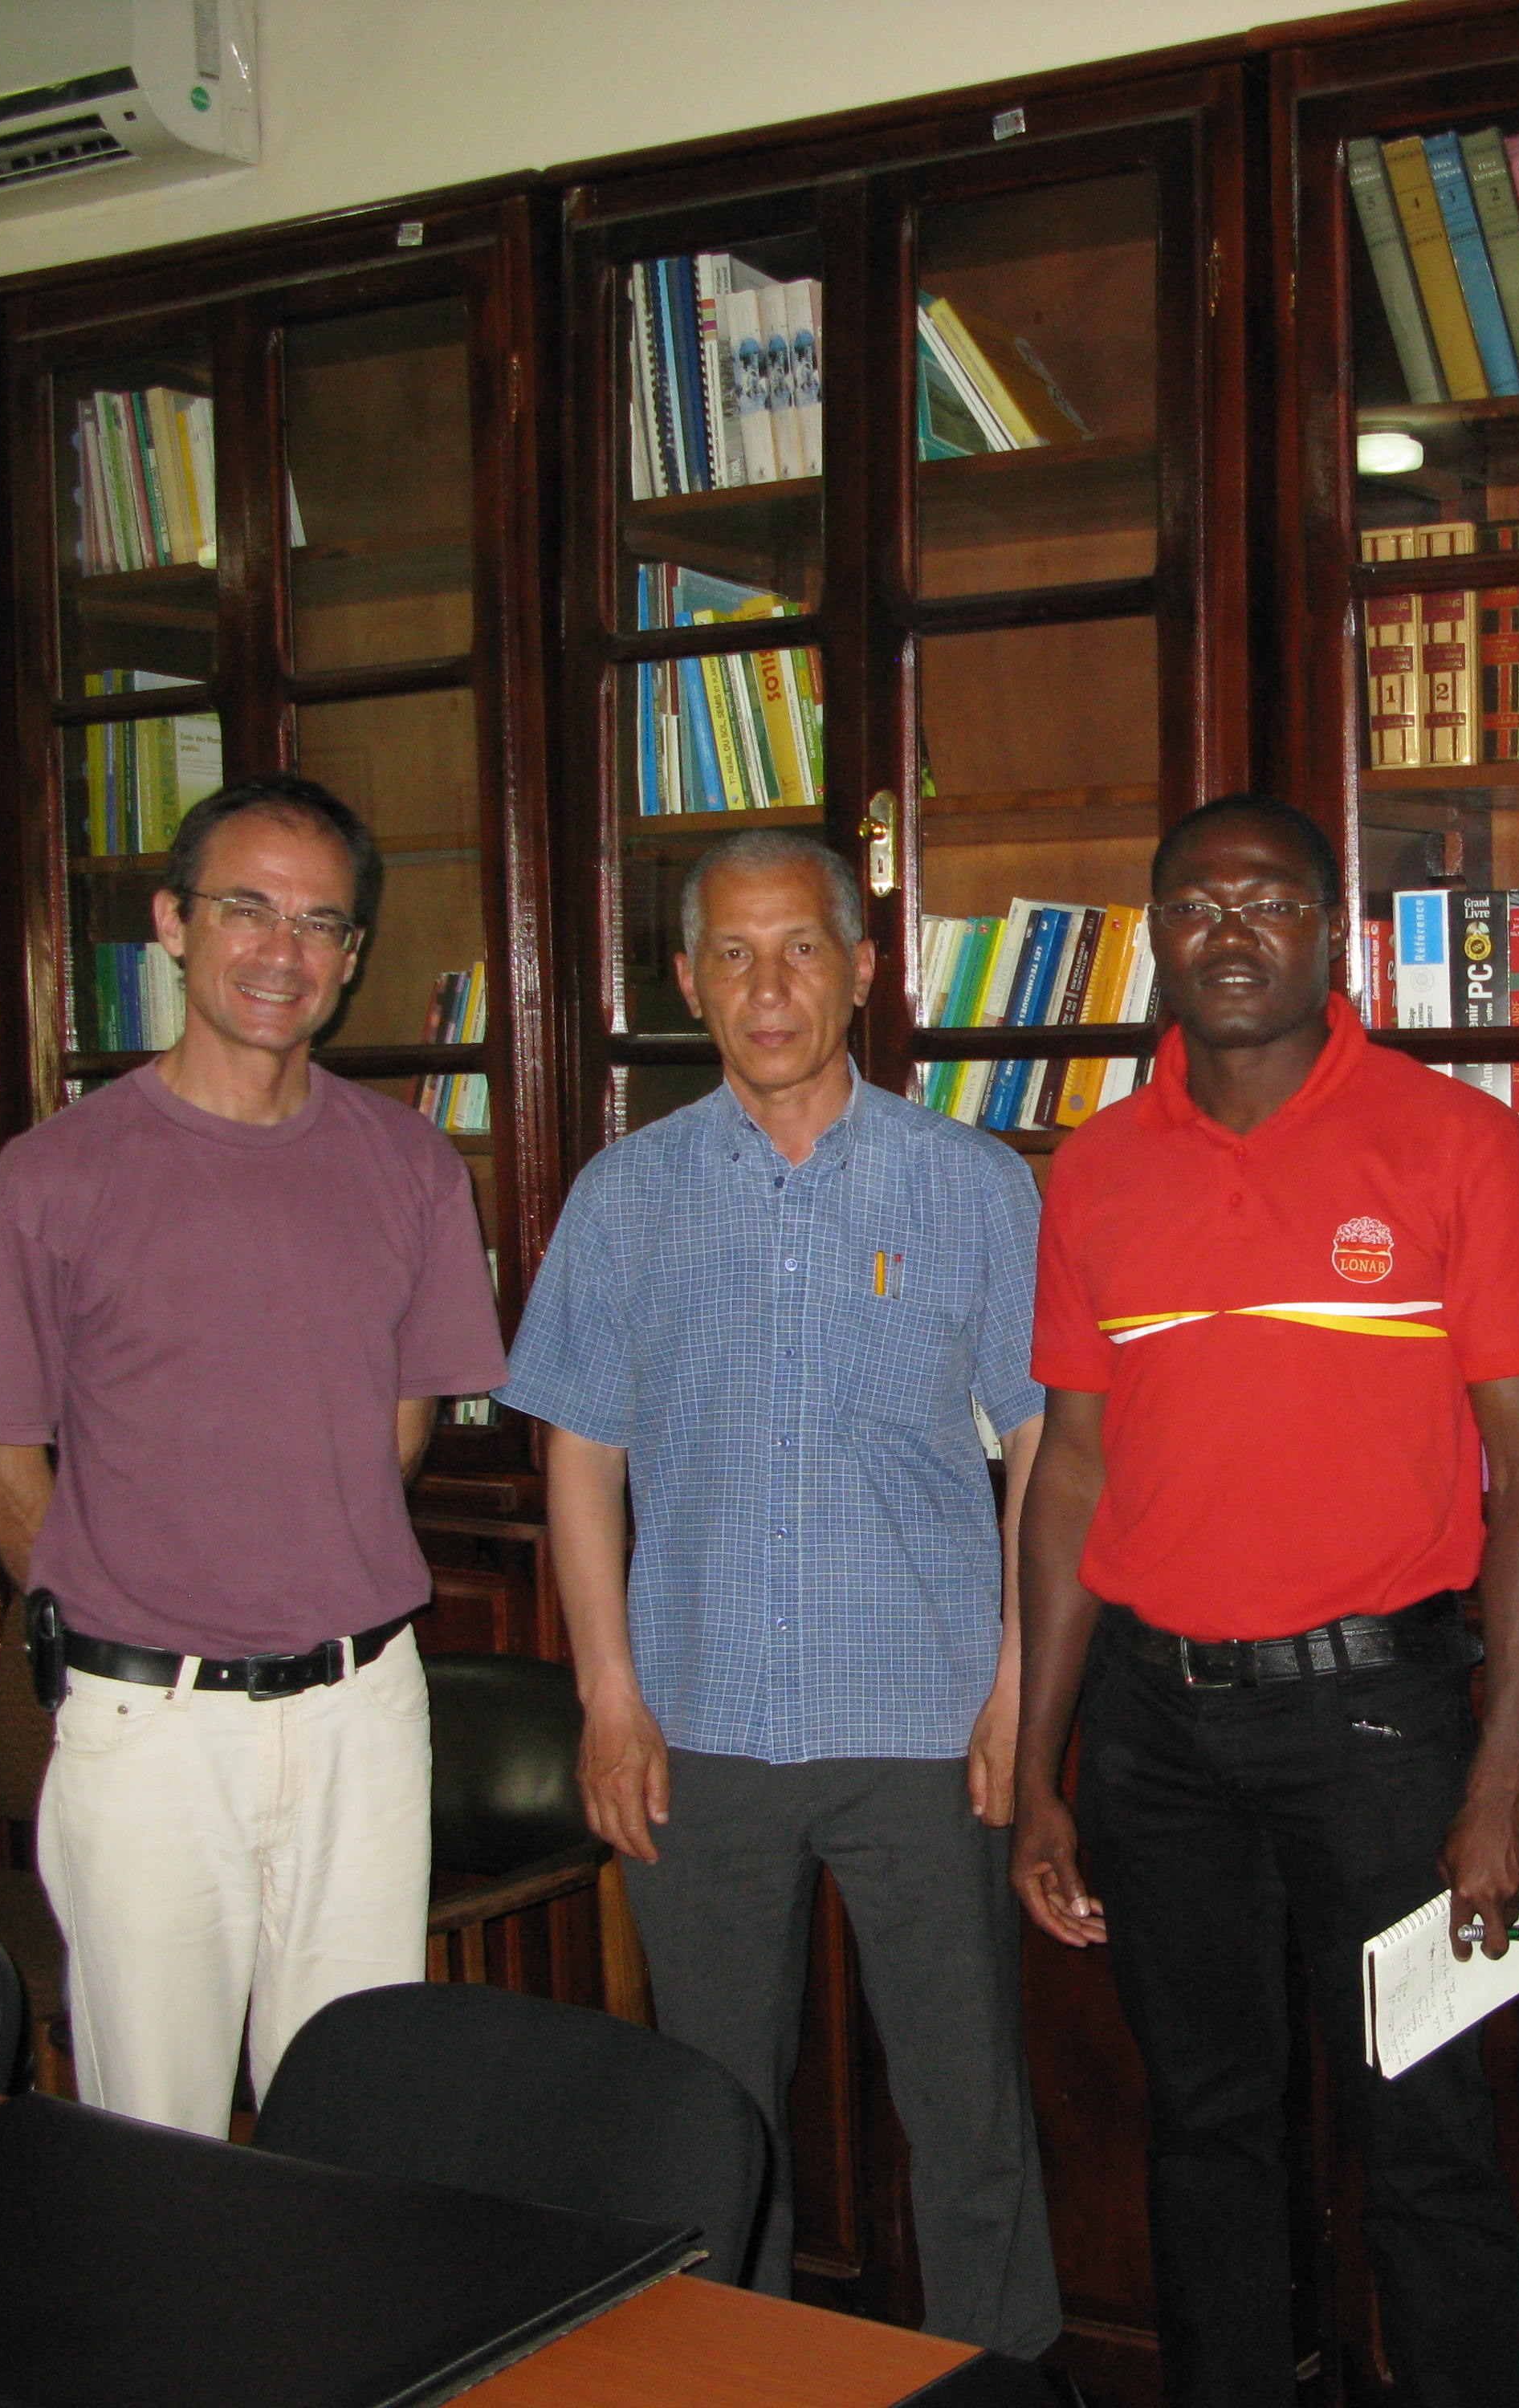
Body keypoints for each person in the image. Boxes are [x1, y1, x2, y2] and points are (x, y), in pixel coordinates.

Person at [1008, 794, 1519, 2408]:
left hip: (1384, 1731)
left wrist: (1499, 1783)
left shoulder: (1457, 1143)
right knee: (1202, 2134)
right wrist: (1040, 1769)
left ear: (1334, 934)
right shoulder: (1095, 1170)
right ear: (1156, 938)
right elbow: (1068, 1478)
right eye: (1196, 906)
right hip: (1154, 1736)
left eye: (1266, 902)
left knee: (1428, 2134)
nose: (1231, 933)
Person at [499, 829, 1060, 2352]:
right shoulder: (625, 1198)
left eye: (801, 949)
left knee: (970, 2115)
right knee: (716, 2124)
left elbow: (1040, 1444)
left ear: (861, 971)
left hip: (930, 1729)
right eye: (733, 956)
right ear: (688, 981)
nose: (768, 988)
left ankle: (1001, 2381)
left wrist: (1018, 1685)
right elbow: (579, 1458)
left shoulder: (972, 1185)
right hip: (698, 1733)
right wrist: (609, 1699)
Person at [0, 774, 507, 2136]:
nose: (282, 951)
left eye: (320, 924)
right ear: (173, 924)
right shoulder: (54, 1177)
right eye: (247, 909)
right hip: (149, 1731)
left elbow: (401, 1426)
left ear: (353, 956)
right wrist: (121, 1615)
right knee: (158, 2138)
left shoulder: (413, 1167)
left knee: (354, 2115)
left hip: (364, 1715)